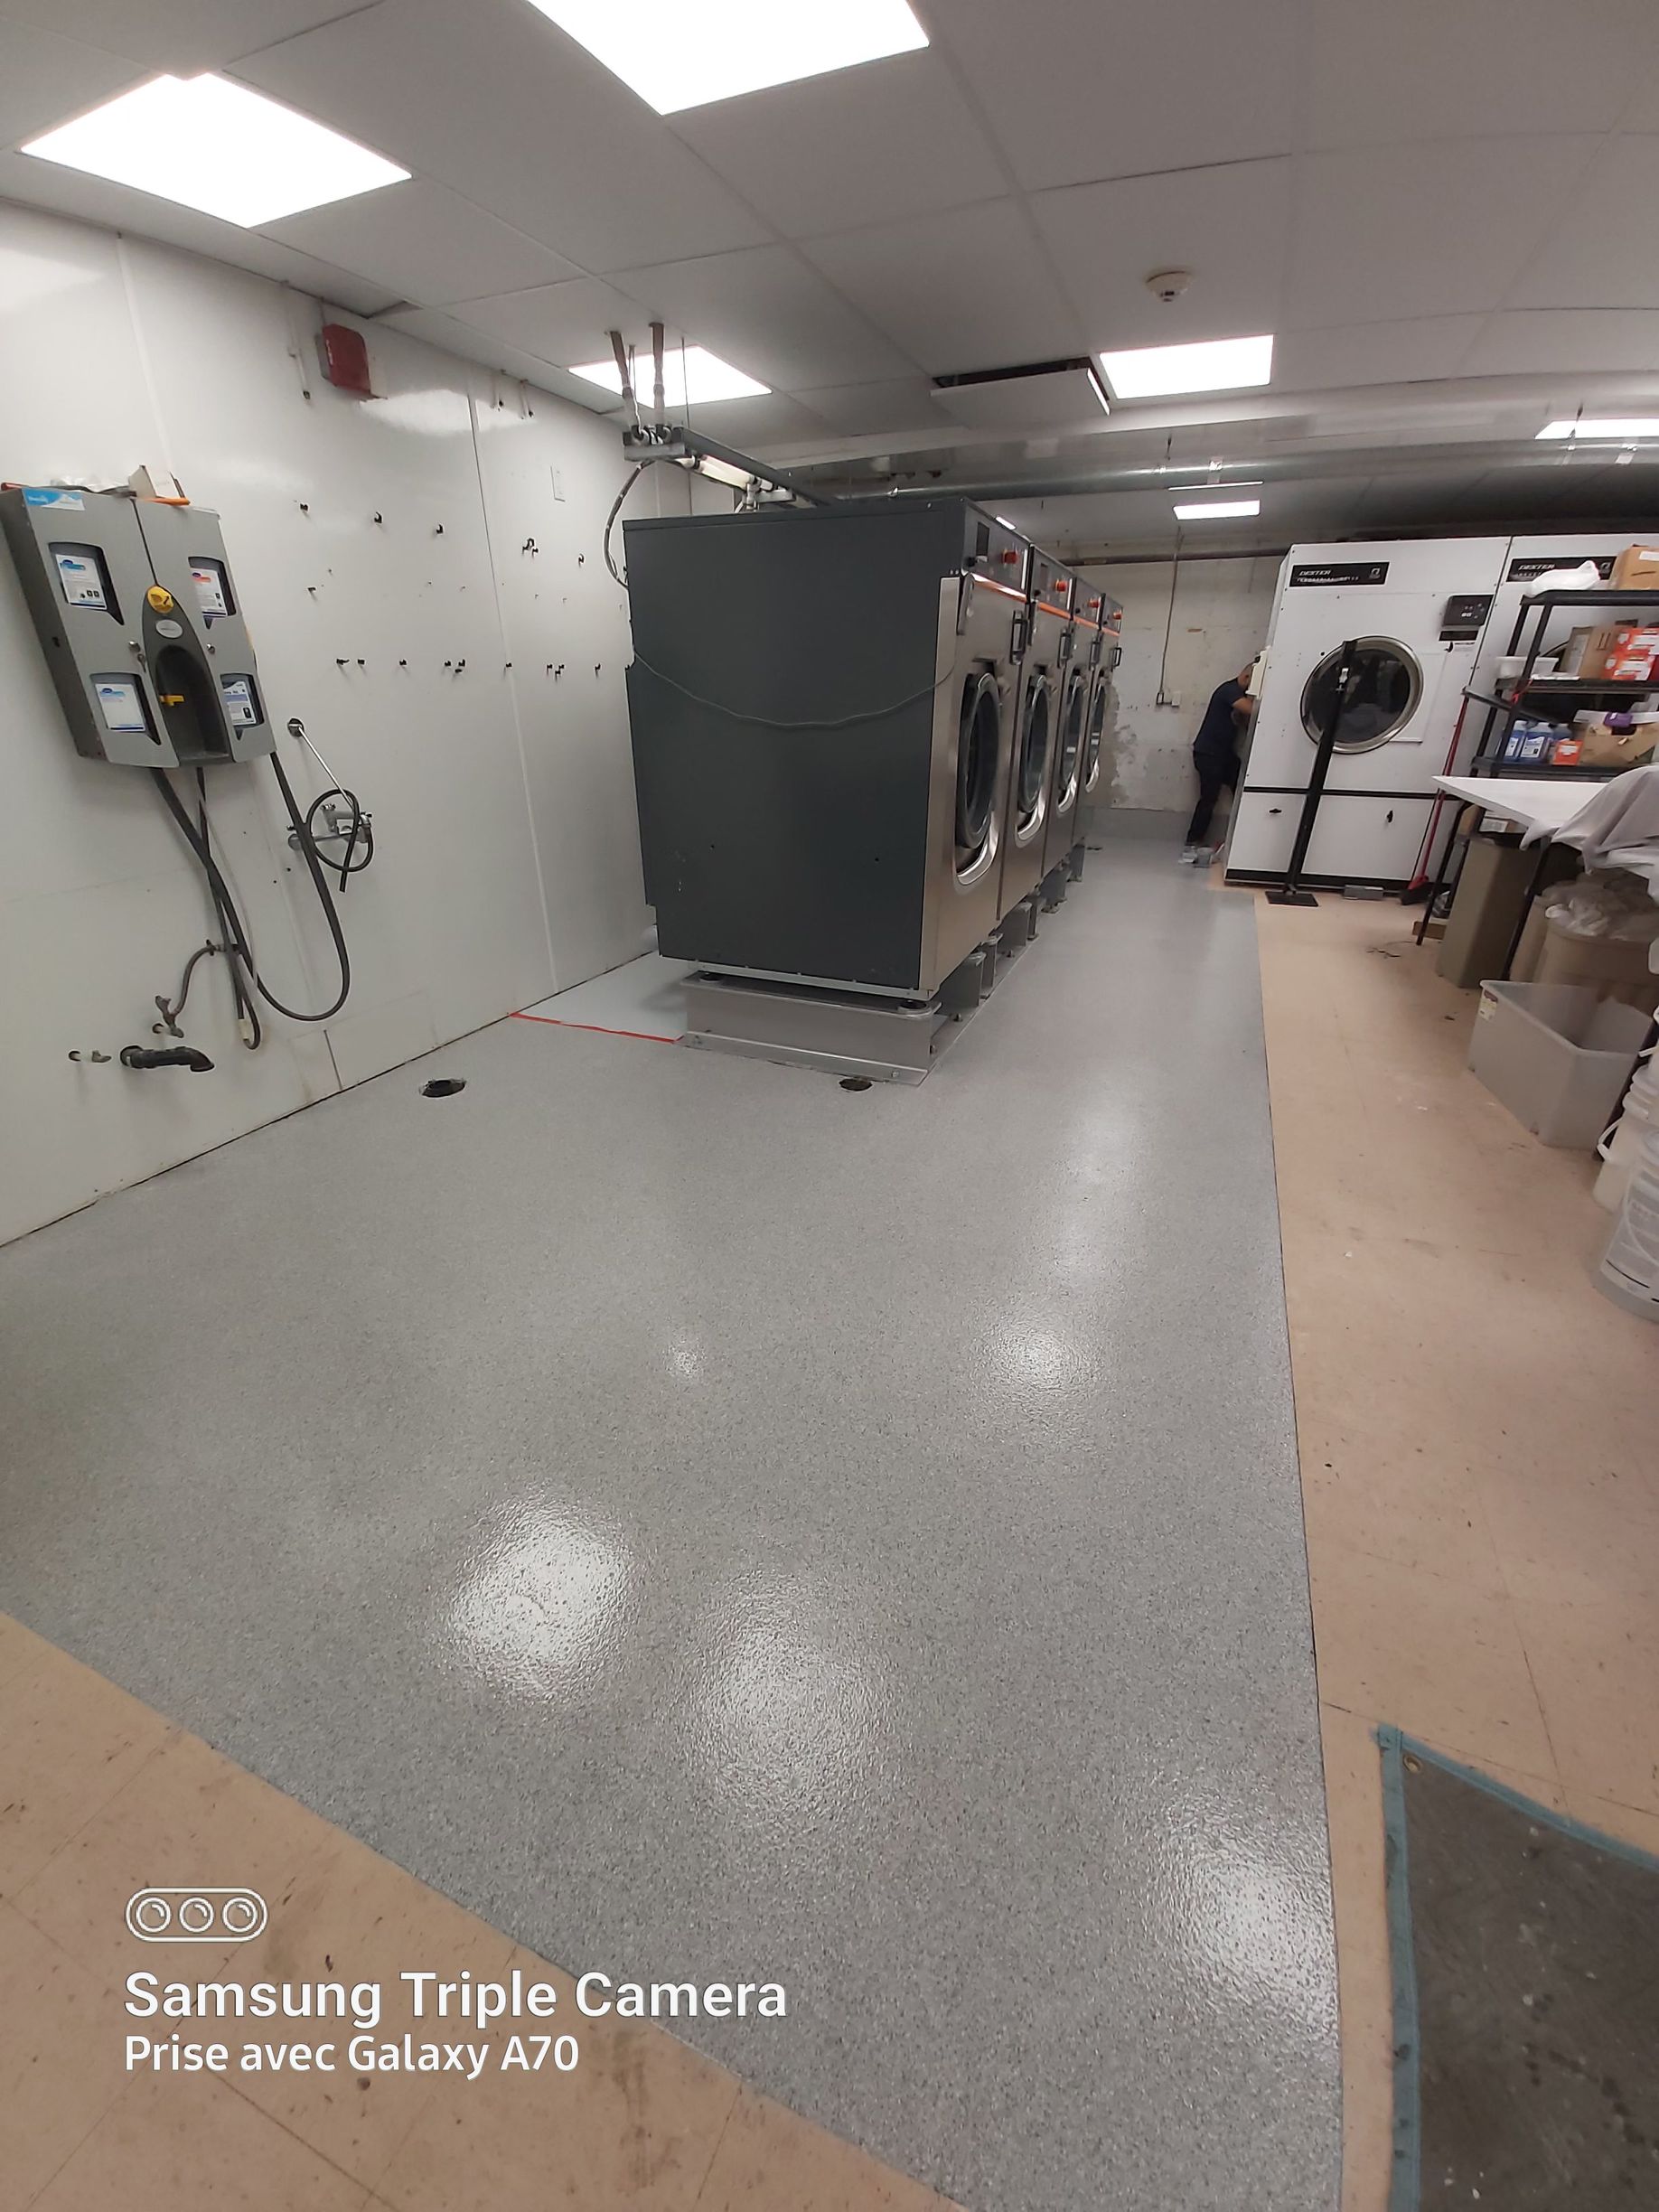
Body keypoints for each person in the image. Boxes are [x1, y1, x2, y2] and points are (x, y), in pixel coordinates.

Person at [1180, 660, 1256, 863]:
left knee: (1242, 788)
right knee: (1209, 798)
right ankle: (1193, 841)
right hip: (1208, 753)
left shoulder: (1236, 693)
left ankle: (1243, 836)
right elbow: (1251, 709)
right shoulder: (1229, 690)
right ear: (1246, 677)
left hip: (1223, 754)